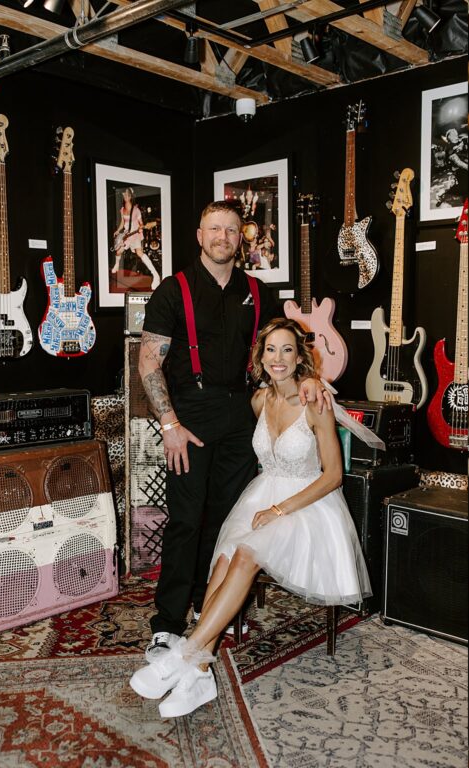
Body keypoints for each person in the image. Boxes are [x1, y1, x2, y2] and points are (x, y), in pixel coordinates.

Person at [129, 317, 371, 717]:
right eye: (270, 349)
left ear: (300, 358)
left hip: (307, 505)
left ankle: (185, 654)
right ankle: (201, 673)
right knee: (223, 558)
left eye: (287, 350)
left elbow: (333, 476)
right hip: (265, 496)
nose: (278, 358)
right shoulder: (259, 401)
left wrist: (279, 510)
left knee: (244, 555)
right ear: (260, 356)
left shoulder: (315, 403)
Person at [138, 200, 328, 666]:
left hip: (243, 415)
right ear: (199, 236)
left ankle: (211, 606)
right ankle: (166, 623)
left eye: (230, 229)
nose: (223, 236)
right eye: (214, 229)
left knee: (227, 520)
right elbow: (148, 364)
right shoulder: (172, 290)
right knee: (185, 519)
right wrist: (170, 426)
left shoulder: (257, 292)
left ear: (239, 239)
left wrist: (306, 377)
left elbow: (282, 348)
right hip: (190, 418)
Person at [111, 187, 161, 289]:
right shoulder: (122, 210)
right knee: (118, 251)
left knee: (139, 253)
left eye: (127, 195)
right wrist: (117, 230)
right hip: (127, 234)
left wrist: (141, 227)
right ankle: (116, 265)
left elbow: (141, 223)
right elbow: (122, 222)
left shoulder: (136, 210)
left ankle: (155, 275)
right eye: (124, 194)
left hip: (135, 235)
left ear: (131, 196)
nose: (125, 196)